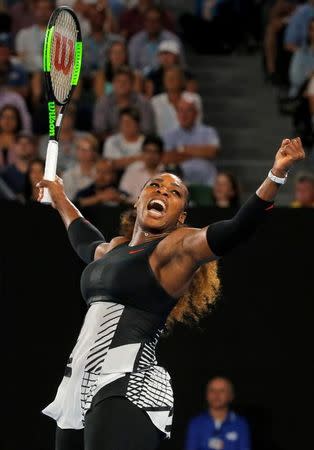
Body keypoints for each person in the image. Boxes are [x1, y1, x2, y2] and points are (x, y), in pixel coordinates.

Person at [38, 136, 304, 450]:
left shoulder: (174, 249)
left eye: (175, 192)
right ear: (137, 201)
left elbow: (236, 229)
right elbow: (85, 239)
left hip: (128, 383)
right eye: (155, 185)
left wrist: (276, 175)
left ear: (180, 218)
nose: (163, 190)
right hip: (78, 382)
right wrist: (59, 196)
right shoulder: (115, 249)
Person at [163, 92, 219, 186]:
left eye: (188, 111)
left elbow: (212, 152)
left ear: (196, 113)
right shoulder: (169, 135)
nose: (183, 115)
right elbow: (167, 158)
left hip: (207, 181)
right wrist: (199, 152)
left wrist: (182, 150)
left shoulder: (208, 132)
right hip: (178, 183)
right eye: (180, 111)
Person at [185, 377, 251, 450]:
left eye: (222, 391)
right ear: (206, 395)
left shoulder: (240, 424)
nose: (216, 394)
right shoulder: (196, 423)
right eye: (212, 390)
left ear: (231, 396)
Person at [93, 66, 155, 139]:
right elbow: (99, 130)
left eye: (125, 81)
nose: (122, 84)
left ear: (132, 85)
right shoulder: (103, 102)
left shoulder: (143, 102)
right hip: (109, 142)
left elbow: (147, 130)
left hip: (138, 143)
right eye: (118, 81)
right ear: (113, 83)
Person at [128, 6, 184, 73]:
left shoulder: (173, 40)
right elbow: (132, 67)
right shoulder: (135, 41)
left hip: (167, 78)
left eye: (155, 20)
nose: (151, 24)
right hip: (141, 79)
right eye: (148, 20)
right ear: (144, 22)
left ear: (161, 22)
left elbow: (181, 67)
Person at [151, 66, 202, 135]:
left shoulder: (193, 99)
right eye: (167, 78)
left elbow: (197, 124)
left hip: (189, 140)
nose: (170, 80)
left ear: (182, 81)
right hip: (163, 142)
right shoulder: (155, 101)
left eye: (174, 77)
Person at [39, 106, 85, 173]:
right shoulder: (45, 141)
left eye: (66, 116)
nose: (62, 120)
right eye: (58, 116)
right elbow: (44, 164)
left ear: (73, 119)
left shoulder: (84, 138)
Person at [119, 134, 165, 202]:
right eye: (148, 151)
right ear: (143, 152)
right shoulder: (132, 170)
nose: (151, 156)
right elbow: (123, 195)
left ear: (161, 155)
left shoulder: (167, 173)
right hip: (132, 208)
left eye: (155, 152)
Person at [82, 4, 123, 79]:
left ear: (104, 18)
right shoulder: (81, 43)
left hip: (110, 79)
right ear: (89, 19)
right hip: (85, 80)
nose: (97, 18)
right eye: (93, 16)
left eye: (99, 15)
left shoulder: (115, 41)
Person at [15, 0, 54, 73]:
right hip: (29, 75)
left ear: (52, 11)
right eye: (40, 9)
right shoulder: (23, 34)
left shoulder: (61, 35)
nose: (43, 12)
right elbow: (21, 58)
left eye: (47, 8)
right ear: (34, 11)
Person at [62, 134, 99, 200]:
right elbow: (69, 200)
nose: (82, 152)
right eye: (79, 149)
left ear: (94, 152)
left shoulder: (102, 172)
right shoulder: (68, 174)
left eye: (87, 149)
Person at [0, 32, 28, 98]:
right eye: (0, 48)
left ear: (10, 50)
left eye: (5, 48)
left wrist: (6, 90)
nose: (2, 51)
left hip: (14, 104)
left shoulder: (19, 69)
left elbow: (25, 92)